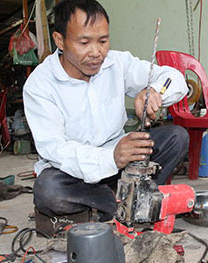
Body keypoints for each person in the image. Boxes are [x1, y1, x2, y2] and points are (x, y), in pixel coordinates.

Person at [23, 0, 189, 221]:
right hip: (74, 173)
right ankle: (133, 203)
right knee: (49, 190)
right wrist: (110, 157)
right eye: (84, 42)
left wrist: (155, 91)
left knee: (176, 137)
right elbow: (55, 149)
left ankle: (126, 202)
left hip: (122, 162)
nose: (96, 52)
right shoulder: (40, 85)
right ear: (59, 41)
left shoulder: (116, 63)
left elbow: (174, 78)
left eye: (103, 41)